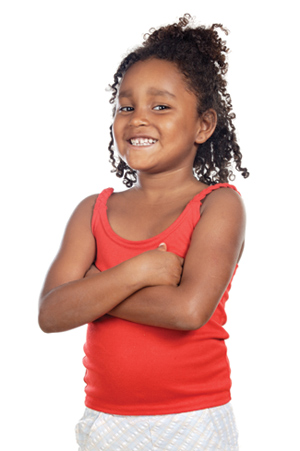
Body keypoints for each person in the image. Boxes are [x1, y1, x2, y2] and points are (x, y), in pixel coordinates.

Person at [39, 14, 249, 450]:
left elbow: (188, 310)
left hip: (193, 420)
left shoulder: (218, 204)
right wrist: (138, 271)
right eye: (126, 106)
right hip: (106, 419)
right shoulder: (92, 211)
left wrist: (94, 290)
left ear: (203, 126)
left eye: (161, 106)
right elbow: (52, 313)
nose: (137, 119)